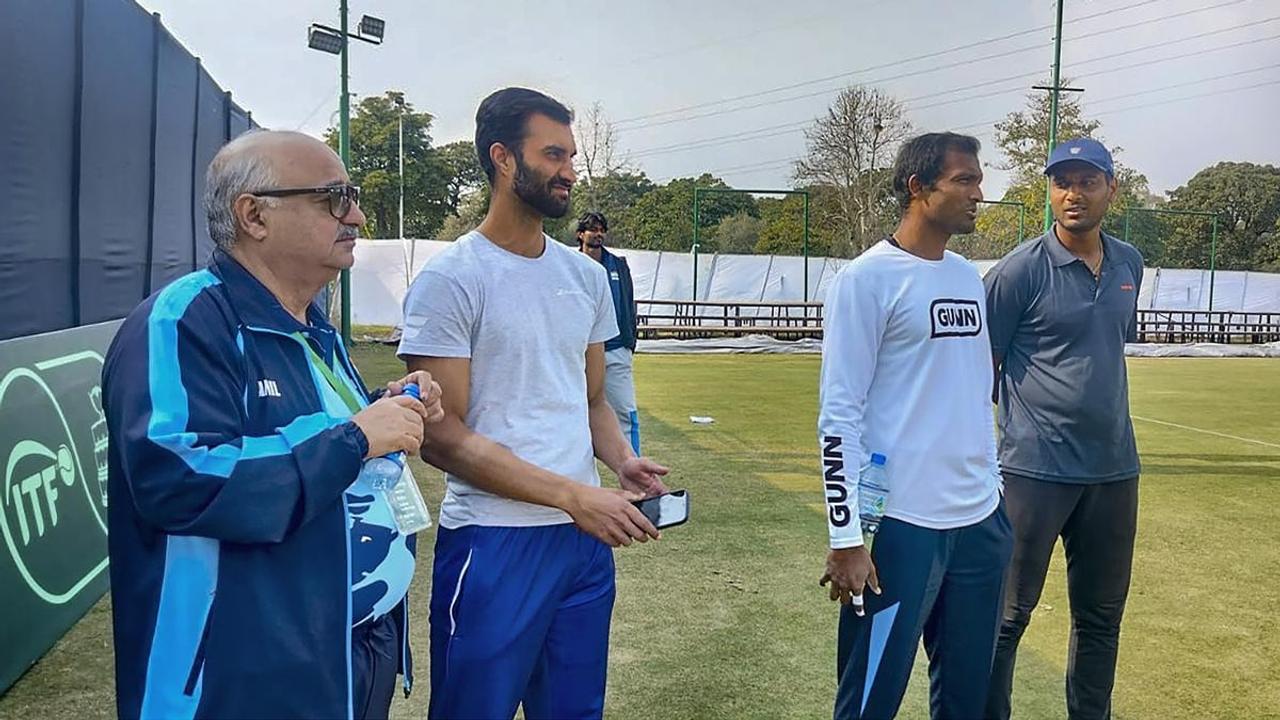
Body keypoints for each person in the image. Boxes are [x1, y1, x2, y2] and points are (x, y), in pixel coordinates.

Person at [102, 130, 445, 720]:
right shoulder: (180, 321)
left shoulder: (313, 323)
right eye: (333, 198)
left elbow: (320, 436)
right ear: (254, 215)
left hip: (352, 648)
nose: (357, 215)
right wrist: (357, 437)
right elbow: (181, 479)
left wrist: (386, 409)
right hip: (243, 679)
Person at [397, 87, 670, 720]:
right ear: (502, 158)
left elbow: (592, 398)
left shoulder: (585, 276)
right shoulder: (451, 278)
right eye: (553, 154)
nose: (570, 171)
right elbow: (442, 438)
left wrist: (621, 461)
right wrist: (573, 495)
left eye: (572, 156)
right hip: (495, 541)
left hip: (581, 544)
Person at [817, 132, 1013, 719]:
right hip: (905, 528)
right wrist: (846, 536)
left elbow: (978, 394)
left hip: (980, 523)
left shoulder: (965, 278)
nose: (980, 192)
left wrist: (993, 491)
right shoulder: (866, 280)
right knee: (870, 698)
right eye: (965, 180)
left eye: (979, 179)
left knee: (966, 701)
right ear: (917, 188)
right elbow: (838, 414)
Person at [983, 137, 1144, 720]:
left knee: (1102, 619)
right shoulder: (1018, 272)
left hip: (1113, 472)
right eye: (1062, 182)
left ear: (1111, 189)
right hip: (1034, 472)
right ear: (1049, 191)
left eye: (1087, 181)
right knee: (1005, 619)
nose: (1073, 194)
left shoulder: (1130, 262)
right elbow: (982, 369)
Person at [576, 211, 641, 453]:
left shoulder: (618, 265)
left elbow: (628, 301)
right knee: (574, 412)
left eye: (602, 229)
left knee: (625, 410)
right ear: (580, 234)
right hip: (578, 352)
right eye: (593, 229)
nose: (599, 234)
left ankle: (636, 471)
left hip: (615, 349)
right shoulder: (569, 266)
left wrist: (629, 342)